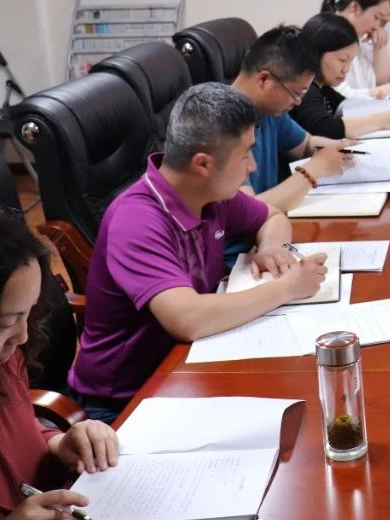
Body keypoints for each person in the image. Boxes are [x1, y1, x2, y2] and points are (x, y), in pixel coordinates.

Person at [68, 84, 327, 423]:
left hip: (191, 365)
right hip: (127, 402)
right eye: (245, 154)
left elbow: (273, 217)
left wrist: (270, 247)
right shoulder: (136, 221)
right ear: (202, 164)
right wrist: (288, 287)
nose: (251, 166)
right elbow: (187, 319)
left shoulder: (210, 194)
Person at [0, 203, 120, 520]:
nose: (23, 337)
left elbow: (18, 434)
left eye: (27, 314)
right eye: (6, 323)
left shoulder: (0, 362)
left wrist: (59, 445)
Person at [230, 25, 350, 214]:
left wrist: (342, 147)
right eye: (296, 93)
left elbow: (305, 144)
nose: (298, 102)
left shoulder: (269, 110)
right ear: (264, 80)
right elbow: (246, 211)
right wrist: (314, 169)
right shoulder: (221, 123)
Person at [290, 14, 390, 139]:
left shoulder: (323, 87)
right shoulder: (305, 89)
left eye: (351, 60)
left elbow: (346, 105)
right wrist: (380, 121)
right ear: (316, 53)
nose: (347, 69)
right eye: (342, 60)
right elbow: (323, 127)